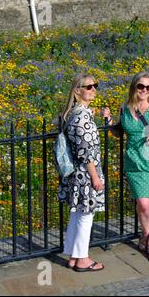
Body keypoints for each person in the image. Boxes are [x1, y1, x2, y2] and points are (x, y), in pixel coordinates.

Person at [102, 71, 149, 262]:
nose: (145, 90)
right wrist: (108, 121)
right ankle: (145, 233)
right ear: (134, 87)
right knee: (144, 204)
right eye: (141, 86)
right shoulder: (125, 107)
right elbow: (119, 132)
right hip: (135, 160)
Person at [57, 73, 105, 272]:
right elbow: (85, 151)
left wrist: (94, 112)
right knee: (86, 215)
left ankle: (73, 256)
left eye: (95, 86)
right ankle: (83, 259)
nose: (93, 89)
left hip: (75, 174)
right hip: (85, 174)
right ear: (77, 91)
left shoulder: (72, 113)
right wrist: (95, 177)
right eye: (89, 87)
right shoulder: (82, 116)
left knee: (77, 214)